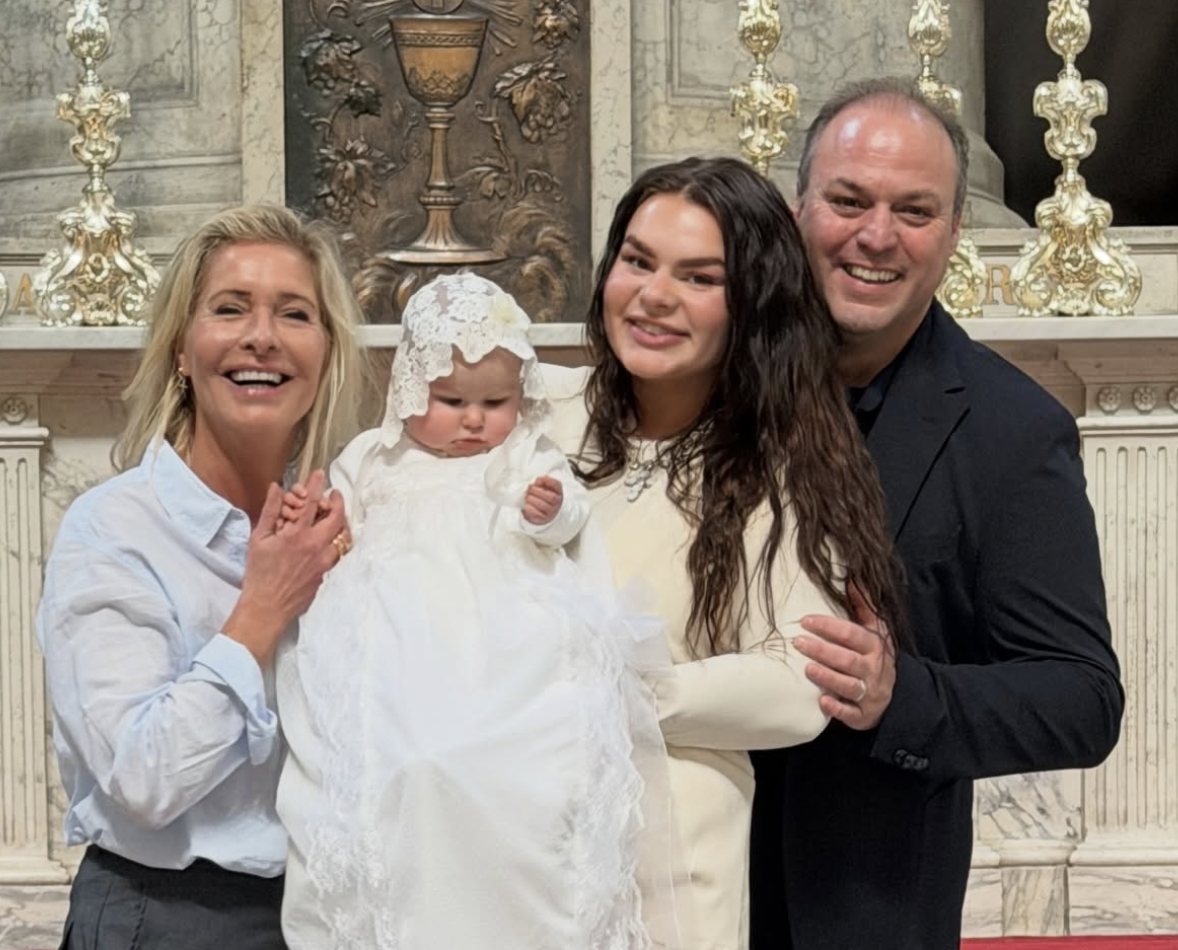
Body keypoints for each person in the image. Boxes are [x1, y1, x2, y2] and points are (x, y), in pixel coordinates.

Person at [748, 77, 1125, 950]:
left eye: (914, 211)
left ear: (954, 235)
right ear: (798, 210)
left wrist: (902, 694)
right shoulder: (716, 380)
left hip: (863, 909)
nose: (876, 235)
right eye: (848, 200)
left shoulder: (1012, 429)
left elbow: (1082, 698)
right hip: (674, 878)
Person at [543, 156, 905, 950]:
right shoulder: (538, 413)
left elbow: (799, 684)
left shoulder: (788, 470)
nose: (654, 296)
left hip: (671, 865)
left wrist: (621, 694)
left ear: (753, 304)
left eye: (700, 277)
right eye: (638, 261)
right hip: (517, 842)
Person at [276, 273, 677, 950]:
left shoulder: (526, 455)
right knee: (409, 761)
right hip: (404, 645)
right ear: (408, 390)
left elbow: (570, 522)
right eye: (450, 400)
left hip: (505, 640)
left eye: (495, 403)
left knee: (528, 765)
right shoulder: (373, 458)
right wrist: (323, 520)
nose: (473, 420)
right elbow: (341, 531)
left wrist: (547, 511)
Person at [36, 205, 366, 950]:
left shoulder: (342, 524)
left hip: (323, 908)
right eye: (230, 308)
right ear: (182, 349)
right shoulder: (113, 529)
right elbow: (142, 779)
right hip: (168, 914)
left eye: (294, 313)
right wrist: (264, 608)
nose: (263, 336)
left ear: (325, 352)